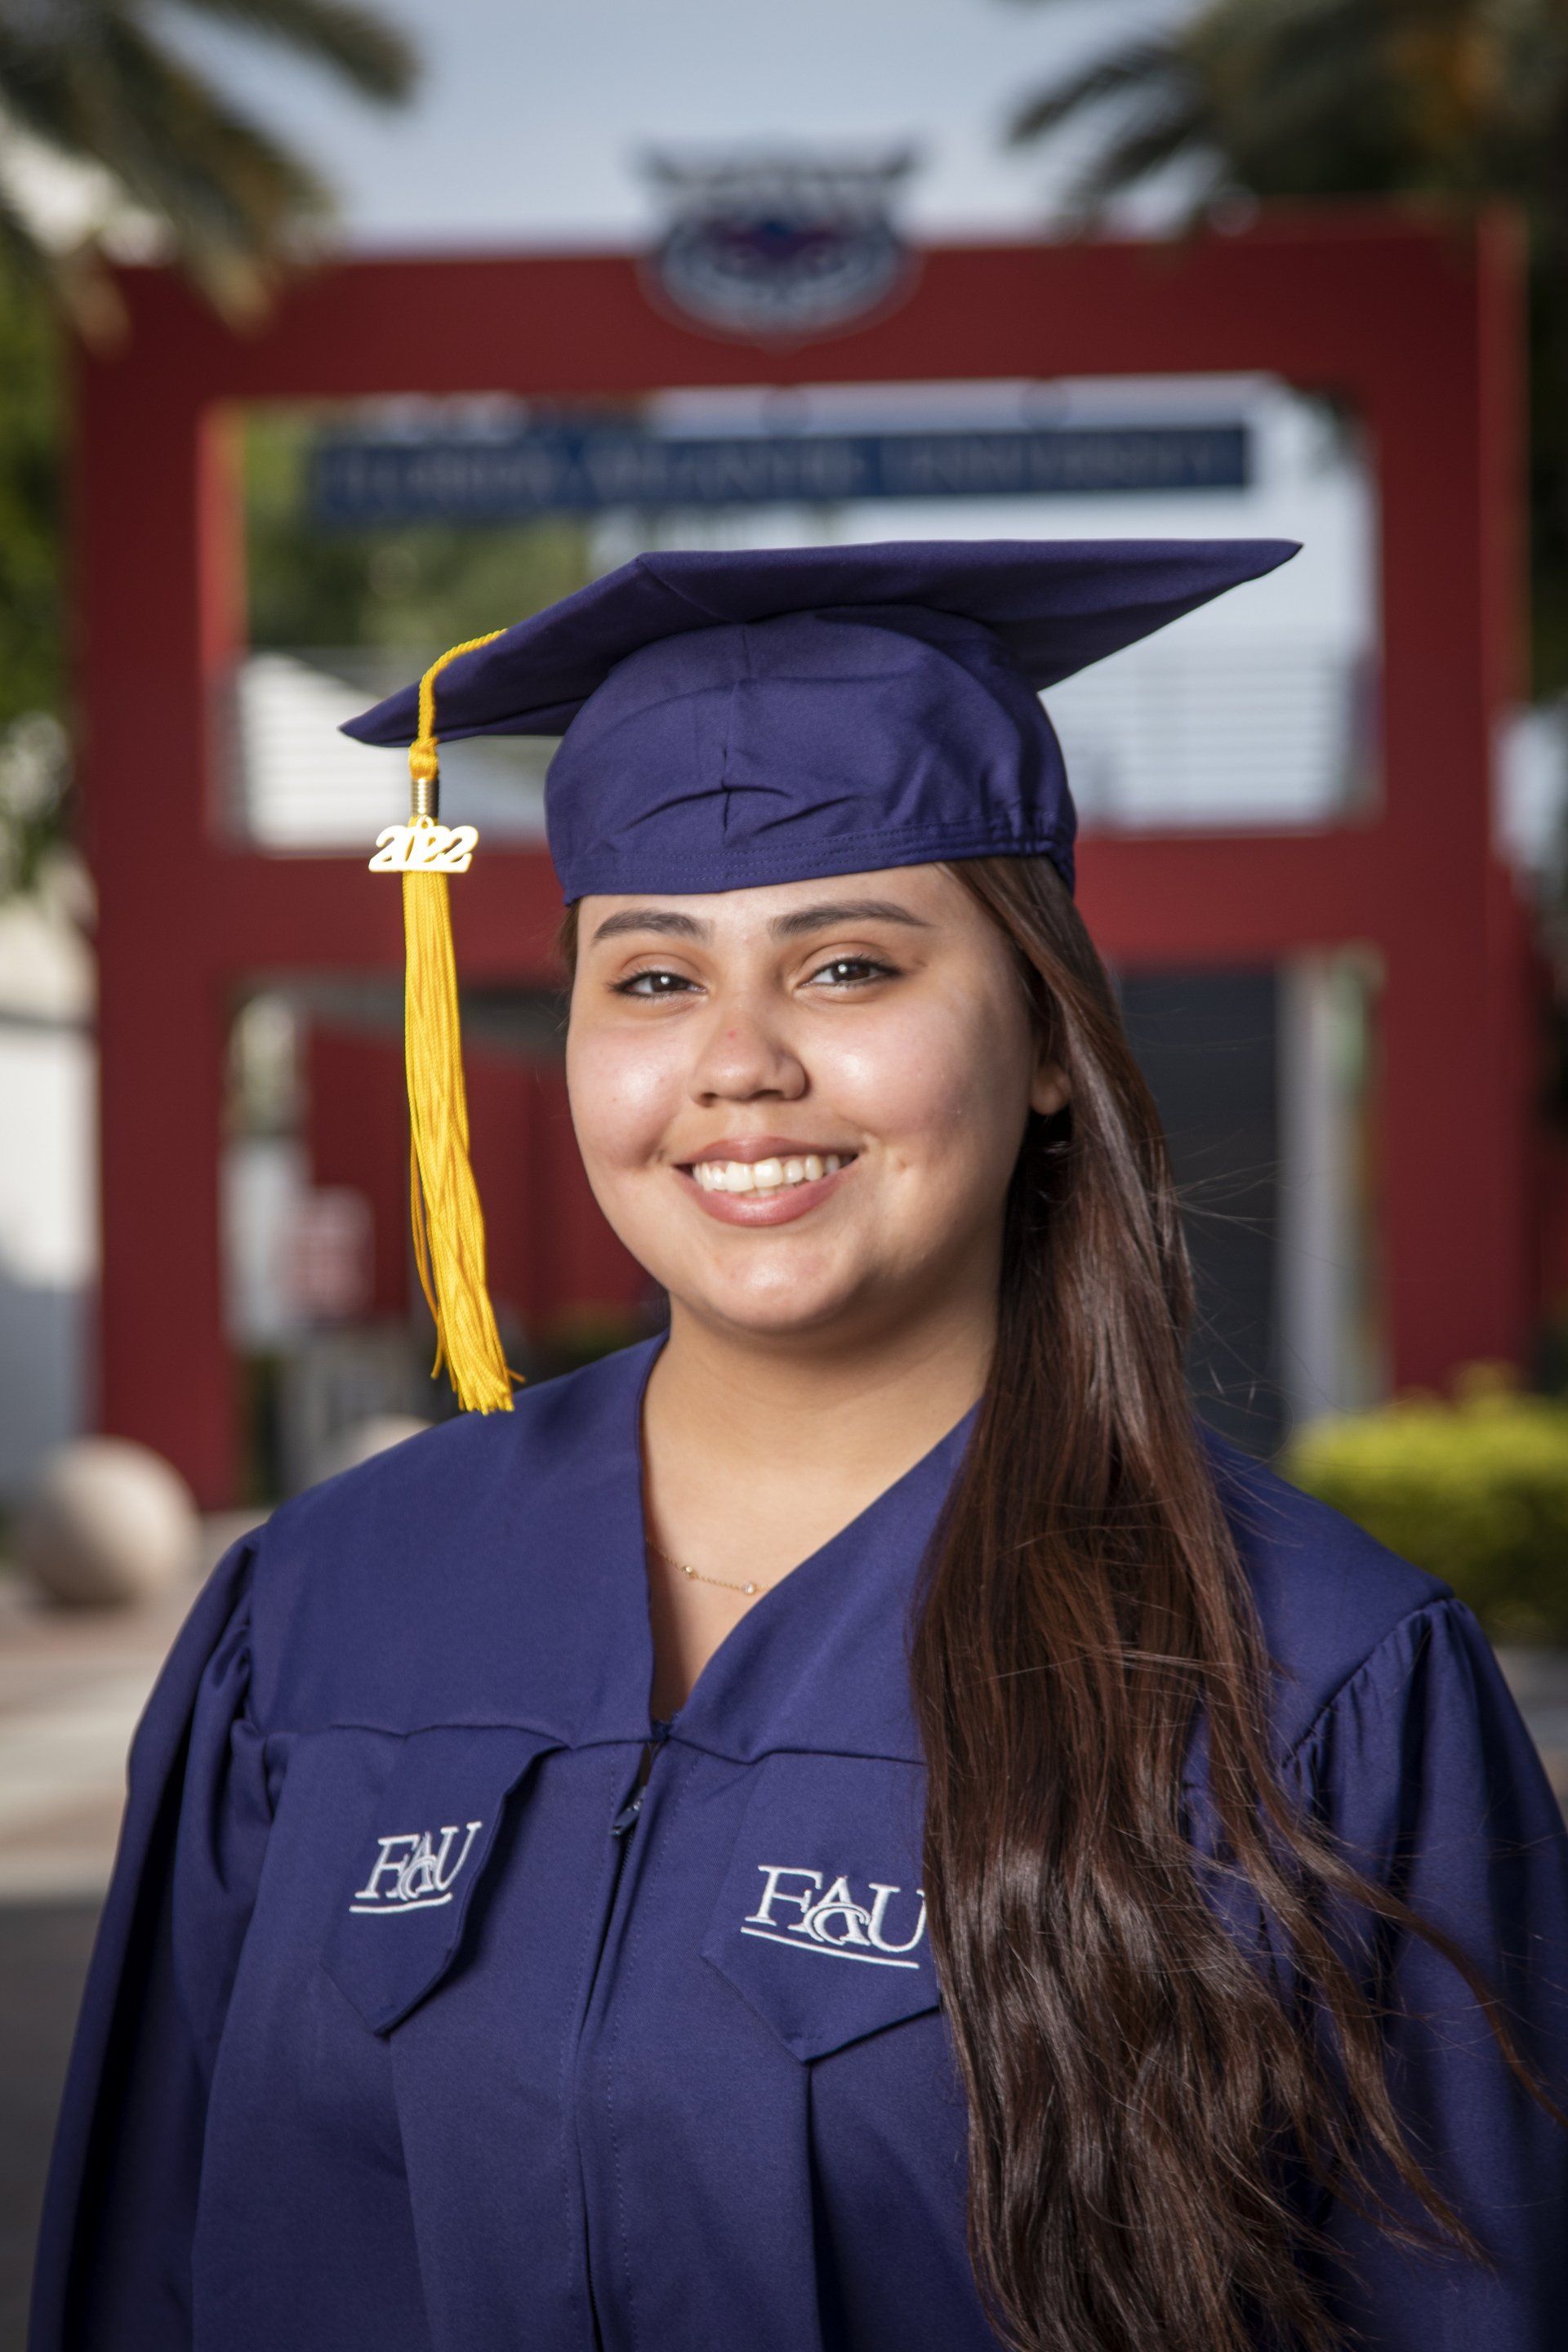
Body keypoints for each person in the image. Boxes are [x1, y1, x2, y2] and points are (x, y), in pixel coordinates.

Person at [29, 541, 1568, 2352]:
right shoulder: (320, 1615)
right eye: (652, 979)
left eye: (847, 967)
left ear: (1049, 1038)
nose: (739, 1062)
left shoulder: (1312, 1682)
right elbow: (151, 2273)